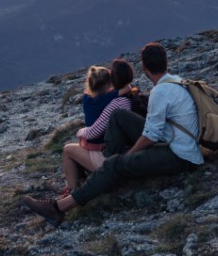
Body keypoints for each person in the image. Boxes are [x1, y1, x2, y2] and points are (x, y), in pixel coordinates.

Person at [24, 42, 203, 228]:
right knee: (118, 116)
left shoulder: (160, 91)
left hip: (179, 155)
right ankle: (107, 167)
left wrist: (129, 155)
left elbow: (151, 135)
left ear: (144, 67)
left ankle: (58, 209)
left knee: (114, 164)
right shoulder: (175, 81)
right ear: (165, 63)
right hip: (180, 143)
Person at [61, 58, 135, 194]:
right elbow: (127, 88)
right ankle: (79, 186)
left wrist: (81, 132)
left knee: (68, 149)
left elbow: (92, 133)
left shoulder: (87, 99)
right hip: (119, 151)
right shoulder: (115, 98)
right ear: (109, 83)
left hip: (105, 155)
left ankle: (72, 192)